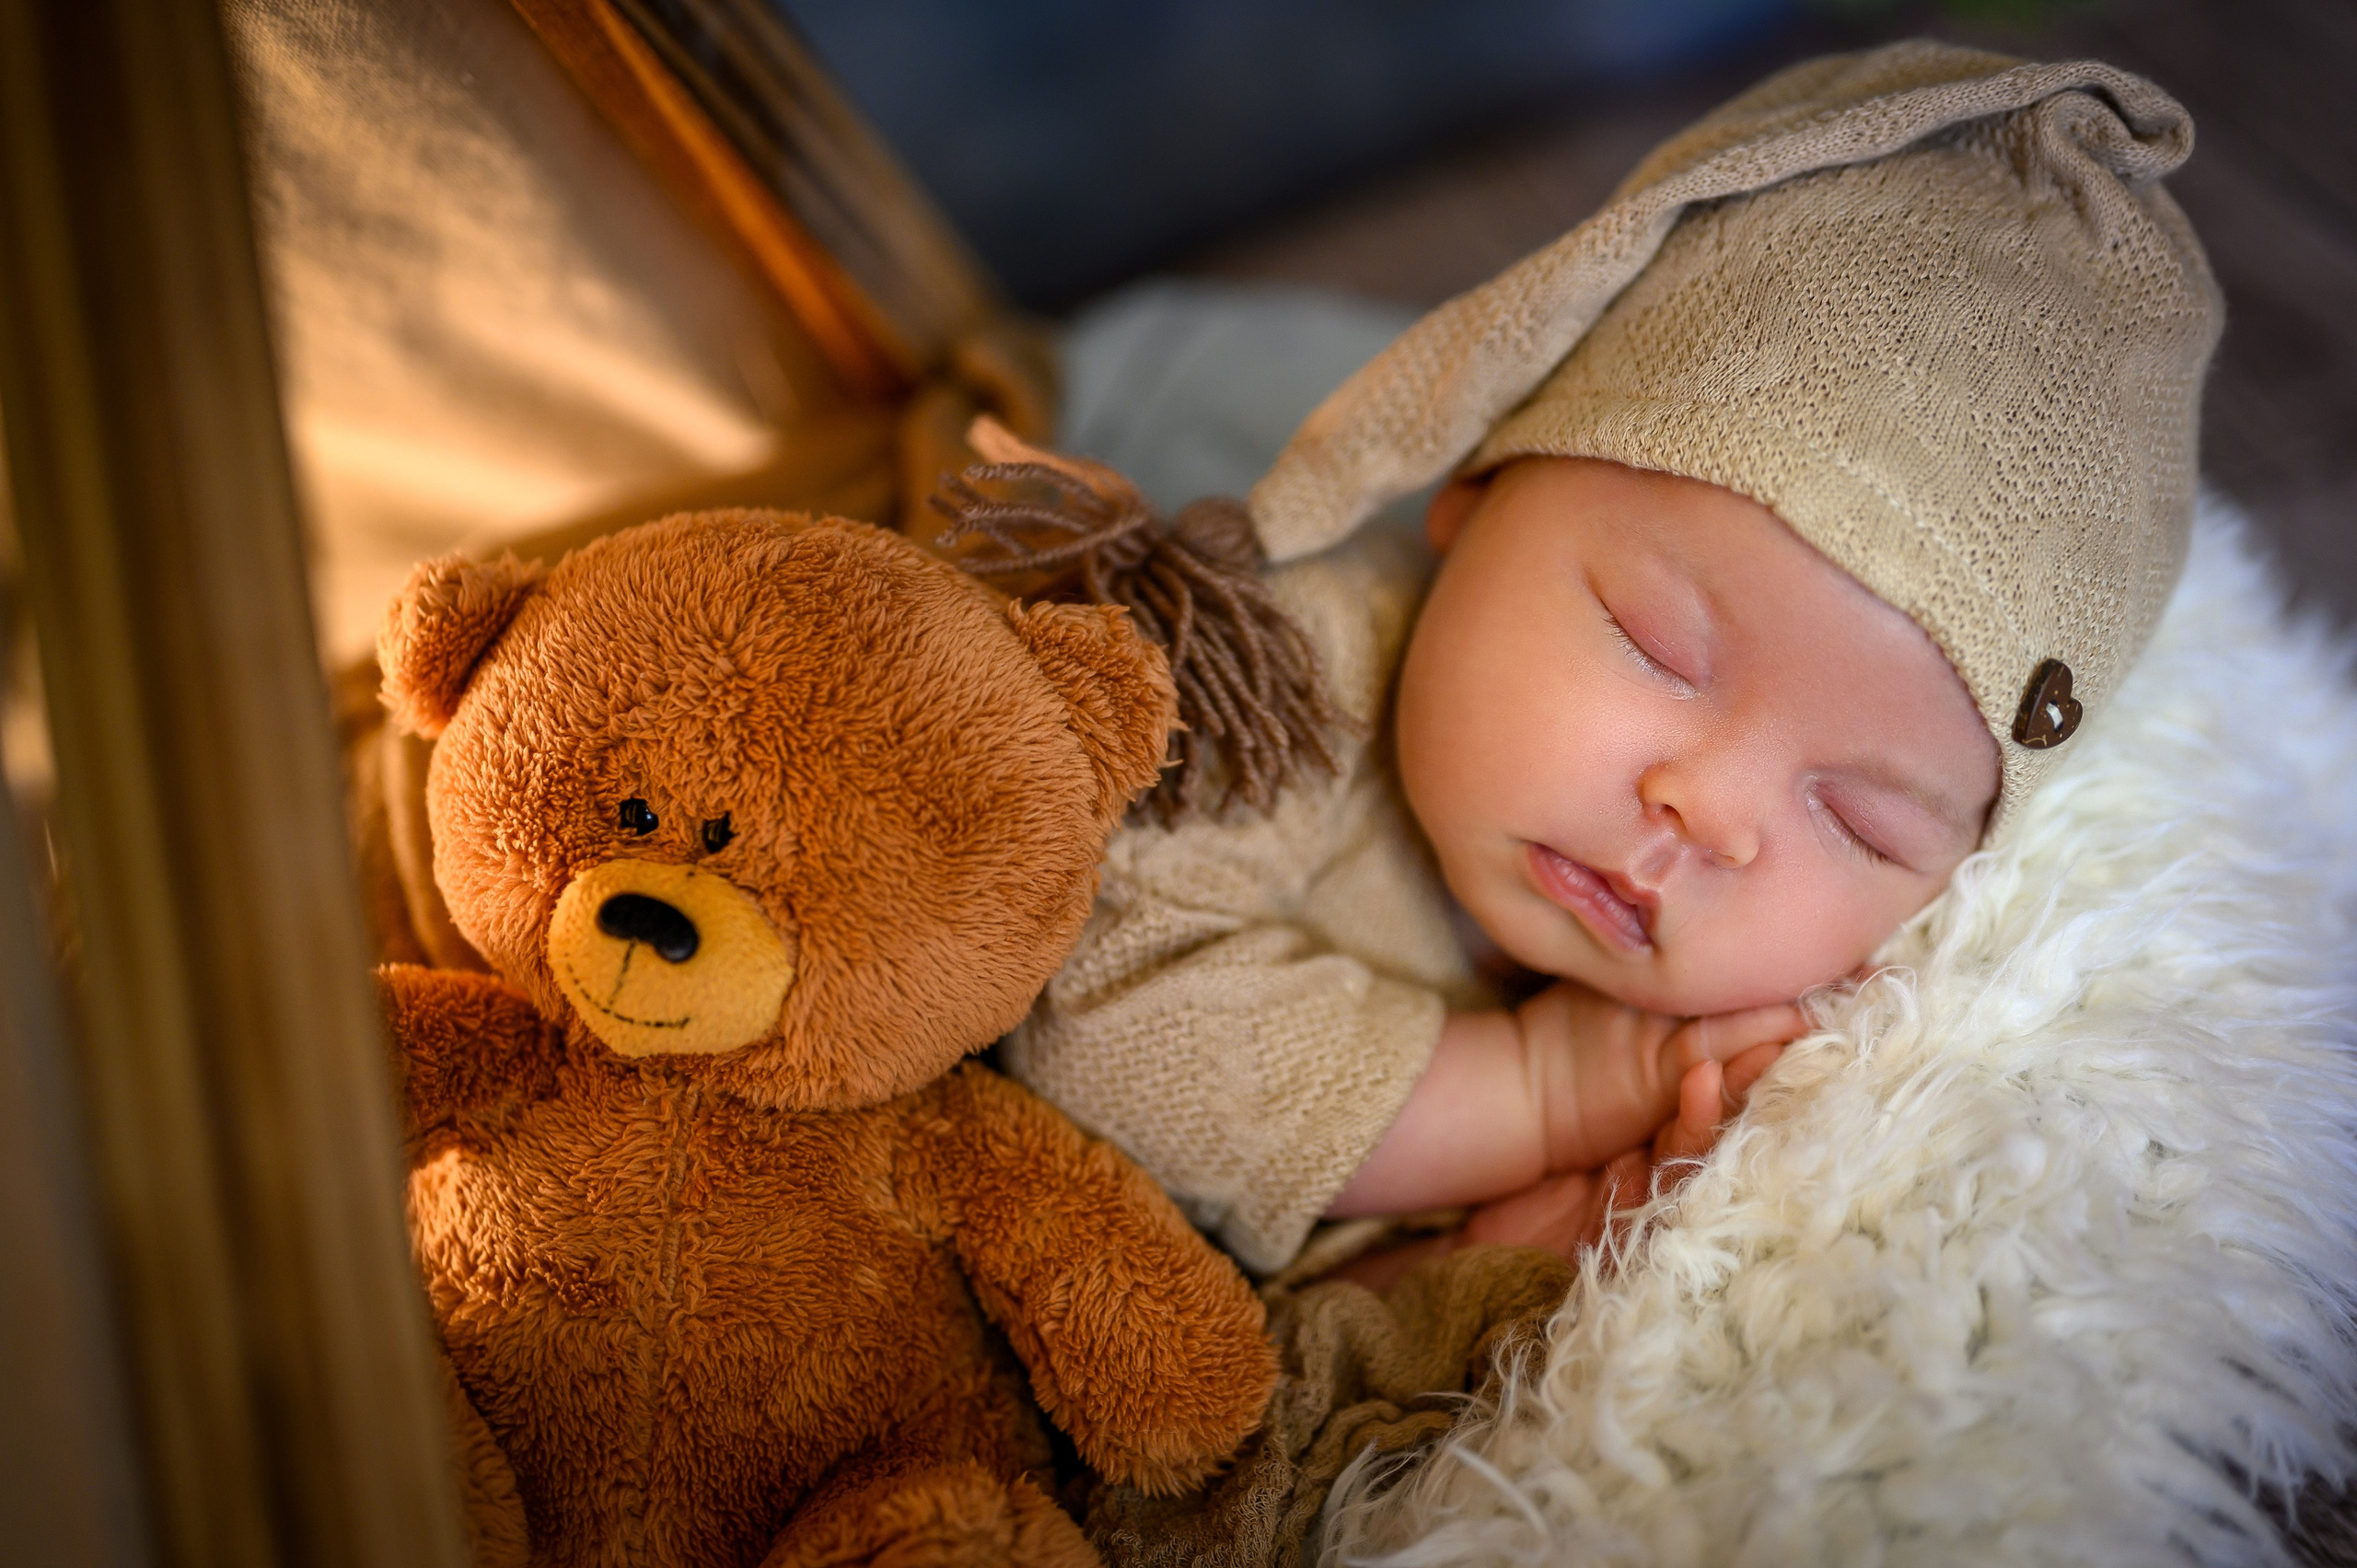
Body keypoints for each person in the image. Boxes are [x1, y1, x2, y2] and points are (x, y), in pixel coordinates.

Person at [998, 40, 2222, 1276]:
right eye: (1656, 647)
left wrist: (1474, 1275)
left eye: (1859, 825)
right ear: (1475, 496)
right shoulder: (1281, 678)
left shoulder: (1726, 1055)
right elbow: (1089, 1003)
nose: (1707, 814)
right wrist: (1529, 1098)